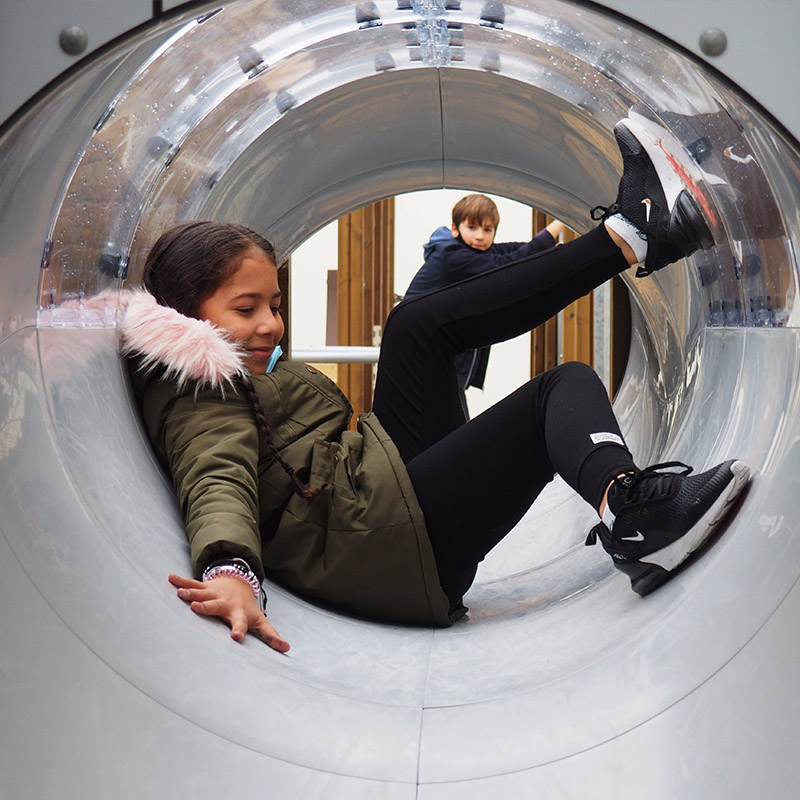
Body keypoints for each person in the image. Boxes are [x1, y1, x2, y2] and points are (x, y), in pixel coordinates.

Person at [121, 114, 751, 652]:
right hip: (385, 548)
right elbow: (216, 476)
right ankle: (632, 511)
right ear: (185, 315)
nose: (268, 325)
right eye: (245, 308)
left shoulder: (218, 369)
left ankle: (634, 233)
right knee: (557, 391)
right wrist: (231, 571)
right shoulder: (198, 388)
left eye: (274, 305)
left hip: (371, 502)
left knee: (415, 326)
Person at [404, 193, 566, 416]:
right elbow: (508, 265)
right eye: (472, 227)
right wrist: (558, 225)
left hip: (437, 355)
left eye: (487, 230)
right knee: (449, 419)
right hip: (422, 354)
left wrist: (549, 249)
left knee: (451, 417)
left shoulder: (471, 251)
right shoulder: (453, 257)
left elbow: (513, 251)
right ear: (455, 228)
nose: (480, 236)